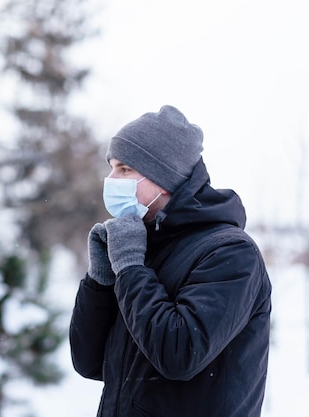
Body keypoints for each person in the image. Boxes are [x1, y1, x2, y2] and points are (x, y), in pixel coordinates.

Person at [69, 105, 271, 417]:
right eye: (111, 167)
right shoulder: (143, 245)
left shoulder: (231, 252)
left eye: (124, 169)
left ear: (165, 179)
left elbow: (179, 355)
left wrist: (131, 267)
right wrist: (101, 279)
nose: (110, 179)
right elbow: (89, 361)